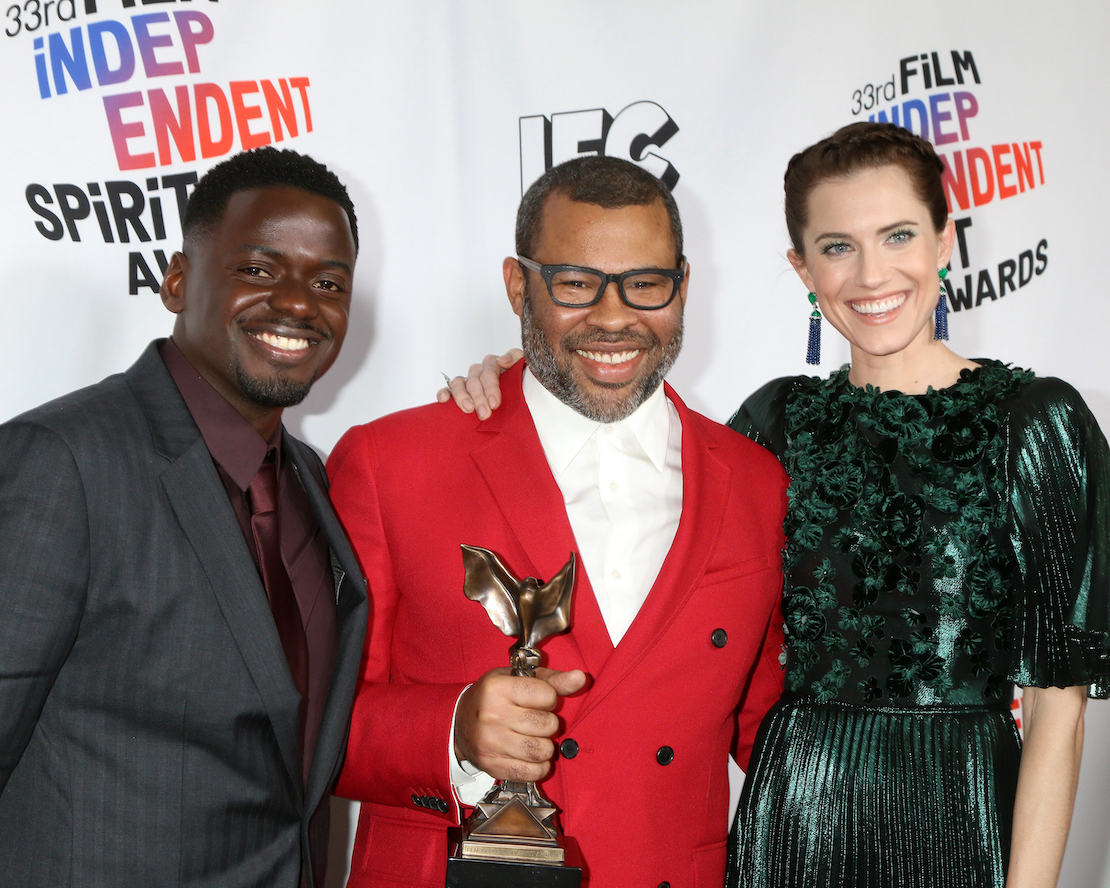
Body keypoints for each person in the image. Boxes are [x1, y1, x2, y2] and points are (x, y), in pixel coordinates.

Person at [450, 123, 1110, 888]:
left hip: (959, 813)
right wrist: (513, 377)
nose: (871, 274)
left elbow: (1057, 713)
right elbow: (638, 461)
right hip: (795, 817)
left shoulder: (1034, 421)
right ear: (802, 267)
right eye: (836, 247)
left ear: (946, 241)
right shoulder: (776, 424)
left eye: (898, 235)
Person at [327, 155, 789, 888]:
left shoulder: (757, 483)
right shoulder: (389, 463)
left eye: (646, 284)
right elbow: (317, 726)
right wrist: (453, 731)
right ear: (519, 285)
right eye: (576, 284)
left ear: (684, 287)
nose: (614, 317)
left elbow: (777, 734)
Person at [0, 146, 369, 888]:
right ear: (176, 281)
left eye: (328, 282)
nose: (299, 303)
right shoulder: (63, 460)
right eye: (259, 270)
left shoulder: (308, 482)